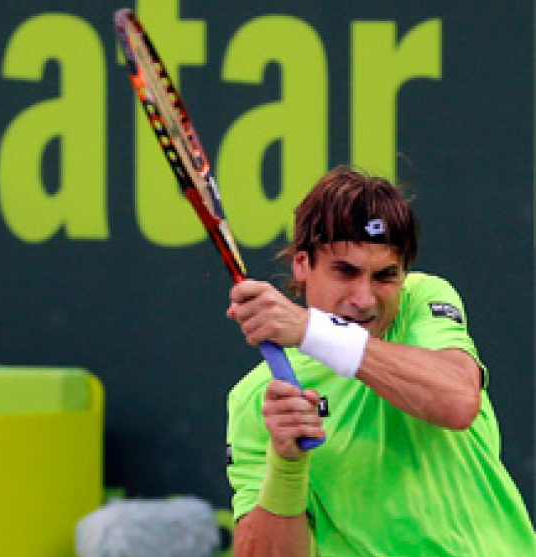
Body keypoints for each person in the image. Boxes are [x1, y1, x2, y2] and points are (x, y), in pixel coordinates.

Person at [223, 166, 536, 556]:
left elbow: (457, 401)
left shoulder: (419, 301)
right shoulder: (257, 398)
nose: (365, 299)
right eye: (345, 271)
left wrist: (310, 329)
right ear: (302, 264)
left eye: (385, 276)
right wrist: (286, 465)